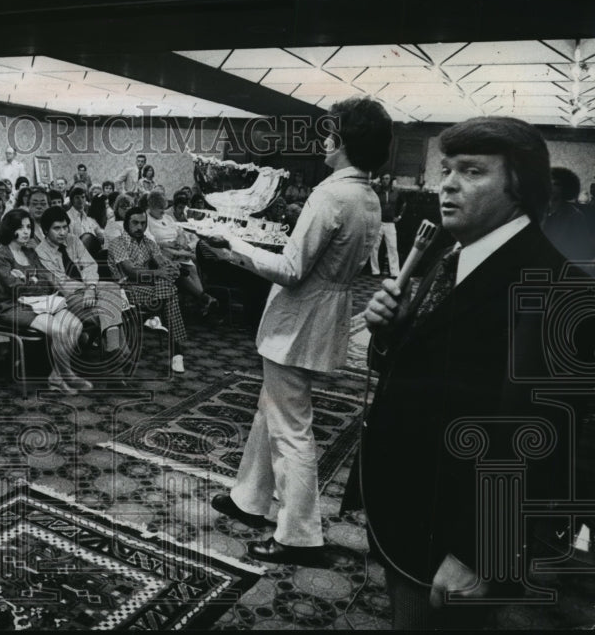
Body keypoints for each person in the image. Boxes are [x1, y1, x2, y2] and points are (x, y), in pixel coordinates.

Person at [359, 116, 572, 628]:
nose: (448, 184)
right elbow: (427, 365)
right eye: (446, 169)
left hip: (457, 533)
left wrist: (482, 552)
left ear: (520, 185)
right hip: (411, 503)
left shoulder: (551, 285)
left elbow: (536, 436)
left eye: (472, 171)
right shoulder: (453, 254)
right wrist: (392, 334)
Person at [210, 96, 390, 565]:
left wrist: (233, 244)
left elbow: (291, 270)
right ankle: (249, 498)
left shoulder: (330, 194)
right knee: (269, 410)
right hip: (325, 316)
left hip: (298, 320)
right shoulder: (368, 195)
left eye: (331, 132)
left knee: (291, 428)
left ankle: (299, 536)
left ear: (345, 141)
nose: (325, 140)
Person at [0, 209, 91, 393]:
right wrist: (33, 280)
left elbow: (45, 282)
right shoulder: (0, 255)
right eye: (20, 227)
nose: (26, 231)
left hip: (41, 301)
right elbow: (13, 288)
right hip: (13, 306)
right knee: (60, 330)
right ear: (10, 229)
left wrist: (27, 279)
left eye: (28, 227)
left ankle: (57, 376)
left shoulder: (30, 253)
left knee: (76, 326)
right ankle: (65, 376)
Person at [107, 206, 188, 373]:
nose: (139, 227)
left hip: (148, 289)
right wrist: (159, 273)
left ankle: (174, 347)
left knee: (168, 288)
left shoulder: (149, 243)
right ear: (126, 224)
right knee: (170, 291)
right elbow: (130, 272)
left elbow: (161, 261)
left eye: (143, 223)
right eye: (135, 223)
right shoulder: (117, 243)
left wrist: (171, 267)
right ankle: (177, 352)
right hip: (124, 290)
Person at [36, 206, 127, 352]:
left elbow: (90, 265)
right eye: (57, 228)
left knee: (112, 287)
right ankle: (117, 349)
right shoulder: (41, 252)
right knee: (109, 309)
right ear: (46, 230)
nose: (63, 232)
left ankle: (112, 346)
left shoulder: (73, 240)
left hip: (88, 288)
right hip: (66, 296)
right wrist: (88, 290)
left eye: (65, 227)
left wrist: (91, 288)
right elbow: (60, 282)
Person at [145, 190, 217, 316]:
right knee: (180, 269)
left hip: (177, 249)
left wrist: (180, 239)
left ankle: (203, 303)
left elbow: (180, 232)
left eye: (164, 208)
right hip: (161, 252)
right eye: (160, 209)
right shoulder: (146, 220)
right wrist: (167, 244)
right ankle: (204, 300)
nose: (163, 212)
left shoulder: (167, 218)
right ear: (151, 207)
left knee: (192, 268)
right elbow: (149, 241)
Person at [542, 166, 594, 263]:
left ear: (565, 188)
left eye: (556, 184)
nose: (550, 187)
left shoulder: (574, 216)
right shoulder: (538, 212)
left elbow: (583, 250)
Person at [369, 173, 406, 277]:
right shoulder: (376, 191)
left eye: (387, 179)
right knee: (374, 247)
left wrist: (399, 216)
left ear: (390, 180)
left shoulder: (396, 192)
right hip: (378, 223)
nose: (385, 181)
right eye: (383, 179)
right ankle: (375, 271)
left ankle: (395, 272)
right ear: (381, 180)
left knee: (393, 247)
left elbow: (404, 203)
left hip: (390, 223)